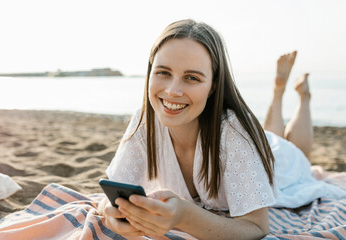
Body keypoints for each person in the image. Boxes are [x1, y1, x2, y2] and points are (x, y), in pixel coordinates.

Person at [98, 19, 346, 239]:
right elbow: (108, 196)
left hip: (277, 161)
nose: (172, 91)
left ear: (214, 85)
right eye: (163, 72)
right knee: (272, 136)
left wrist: (185, 216)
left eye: (192, 77)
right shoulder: (144, 121)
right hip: (253, 146)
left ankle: (300, 97)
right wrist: (112, 215)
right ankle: (279, 92)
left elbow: (257, 227)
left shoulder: (234, 130)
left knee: (297, 152)